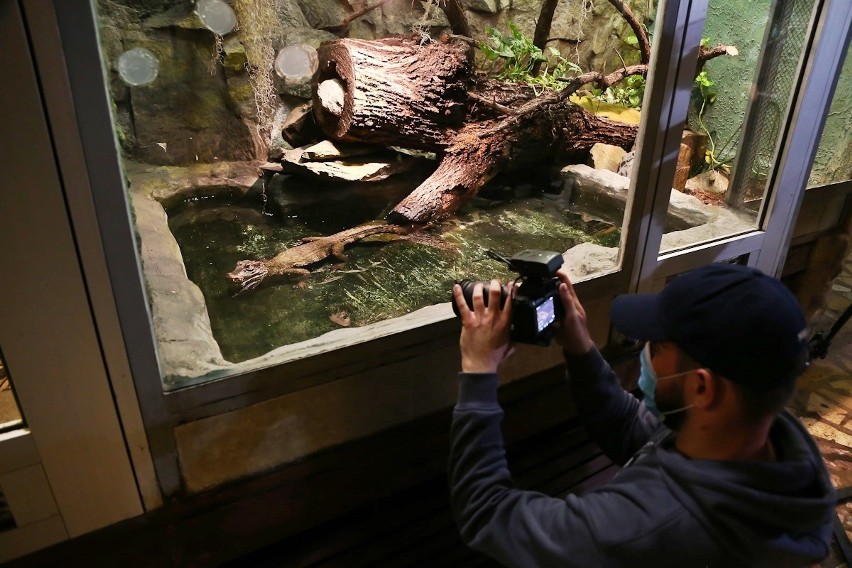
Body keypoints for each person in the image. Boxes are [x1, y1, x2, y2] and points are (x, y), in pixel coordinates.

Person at [449, 263, 835, 567]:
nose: (646, 351)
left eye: (659, 345)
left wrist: (479, 370)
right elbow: (634, 430)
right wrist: (579, 346)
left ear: (702, 389)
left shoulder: (645, 527)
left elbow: (487, 512)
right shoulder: (778, 451)